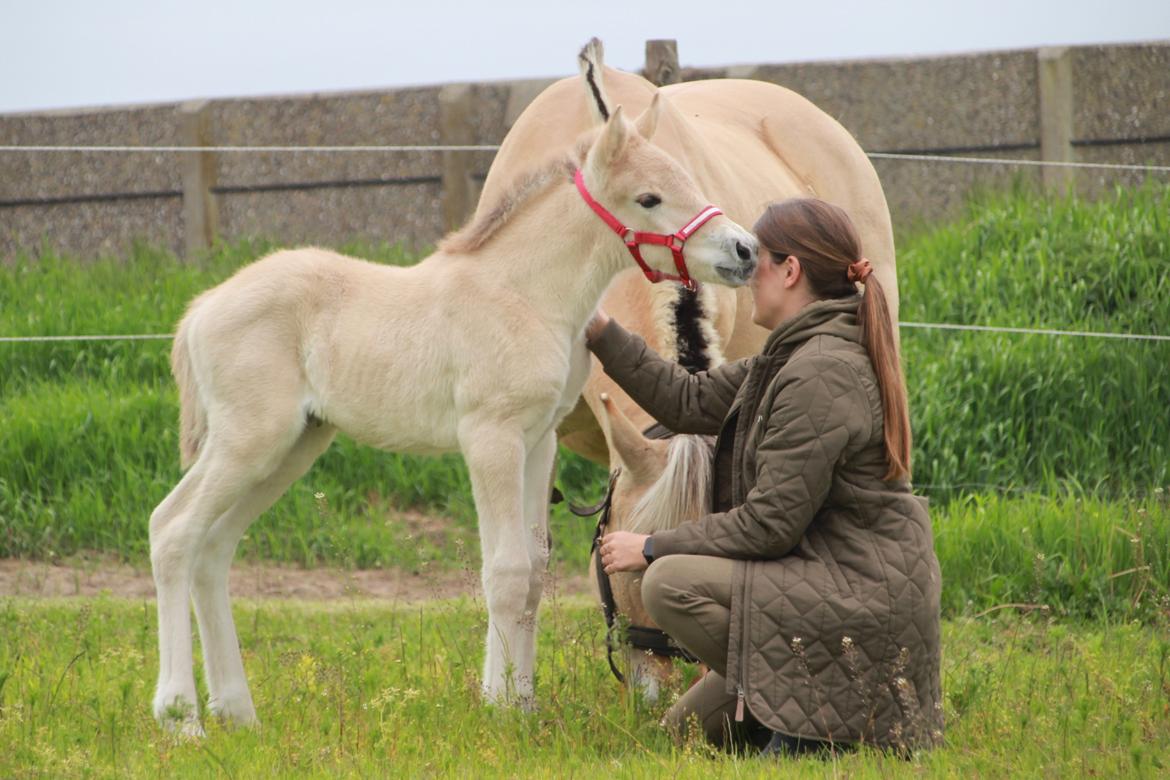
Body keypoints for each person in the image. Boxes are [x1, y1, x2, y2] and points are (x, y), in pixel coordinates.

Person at [586, 198, 943, 756]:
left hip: (856, 597)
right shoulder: (791, 358)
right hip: (822, 583)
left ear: (791, 271)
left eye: (759, 262)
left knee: (668, 581)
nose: (748, 278)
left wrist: (652, 544)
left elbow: (769, 525)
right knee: (685, 734)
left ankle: (822, 727)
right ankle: (789, 712)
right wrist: (597, 327)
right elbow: (685, 401)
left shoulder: (820, 373)